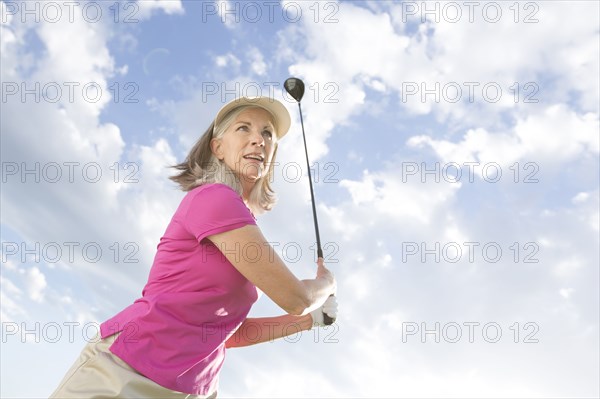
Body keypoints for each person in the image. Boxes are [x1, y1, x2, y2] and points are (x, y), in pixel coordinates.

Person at [50, 96, 338, 398]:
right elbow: (297, 297)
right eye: (244, 128)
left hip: (193, 388)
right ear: (218, 148)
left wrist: (310, 321)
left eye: (267, 133)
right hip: (125, 370)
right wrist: (326, 283)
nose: (259, 140)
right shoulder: (215, 198)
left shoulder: (240, 219)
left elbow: (226, 332)